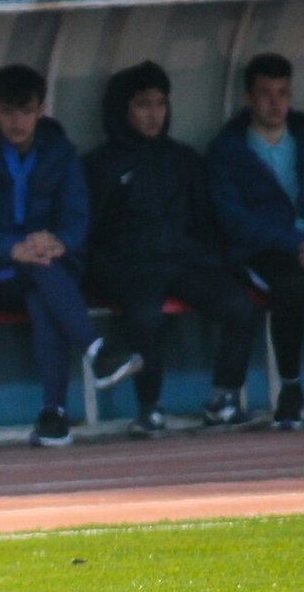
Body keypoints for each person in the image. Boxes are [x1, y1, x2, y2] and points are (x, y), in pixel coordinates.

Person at [0, 63, 142, 448]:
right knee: (42, 275)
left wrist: (58, 242)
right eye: (8, 111)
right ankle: (96, 351)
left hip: (50, 271)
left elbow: (77, 216)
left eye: (25, 111)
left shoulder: (60, 153)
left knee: (42, 293)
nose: (17, 121)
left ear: (41, 109)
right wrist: (13, 249)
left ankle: (53, 417)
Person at [85, 61, 259, 438]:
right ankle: (150, 409)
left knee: (239, 307)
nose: (154, 114)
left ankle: (224, 398)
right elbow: (92, 237)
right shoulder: (101, 166)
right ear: (122, 109)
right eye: (143, 105)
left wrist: (212, 263)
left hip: (184, 261)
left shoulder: (184, 160)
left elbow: (205, 225)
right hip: (132, 266)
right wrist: (108, 274)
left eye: (160, 104)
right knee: (145, 315)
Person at [206, 52, 304, 430]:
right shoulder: (228, 151)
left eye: (282, 93)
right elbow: (234, 218)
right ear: (248, 98)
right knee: (290, 285)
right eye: (265, 93)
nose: (275, 102)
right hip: (264, 250)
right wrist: (293, 241)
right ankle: (291, 388)